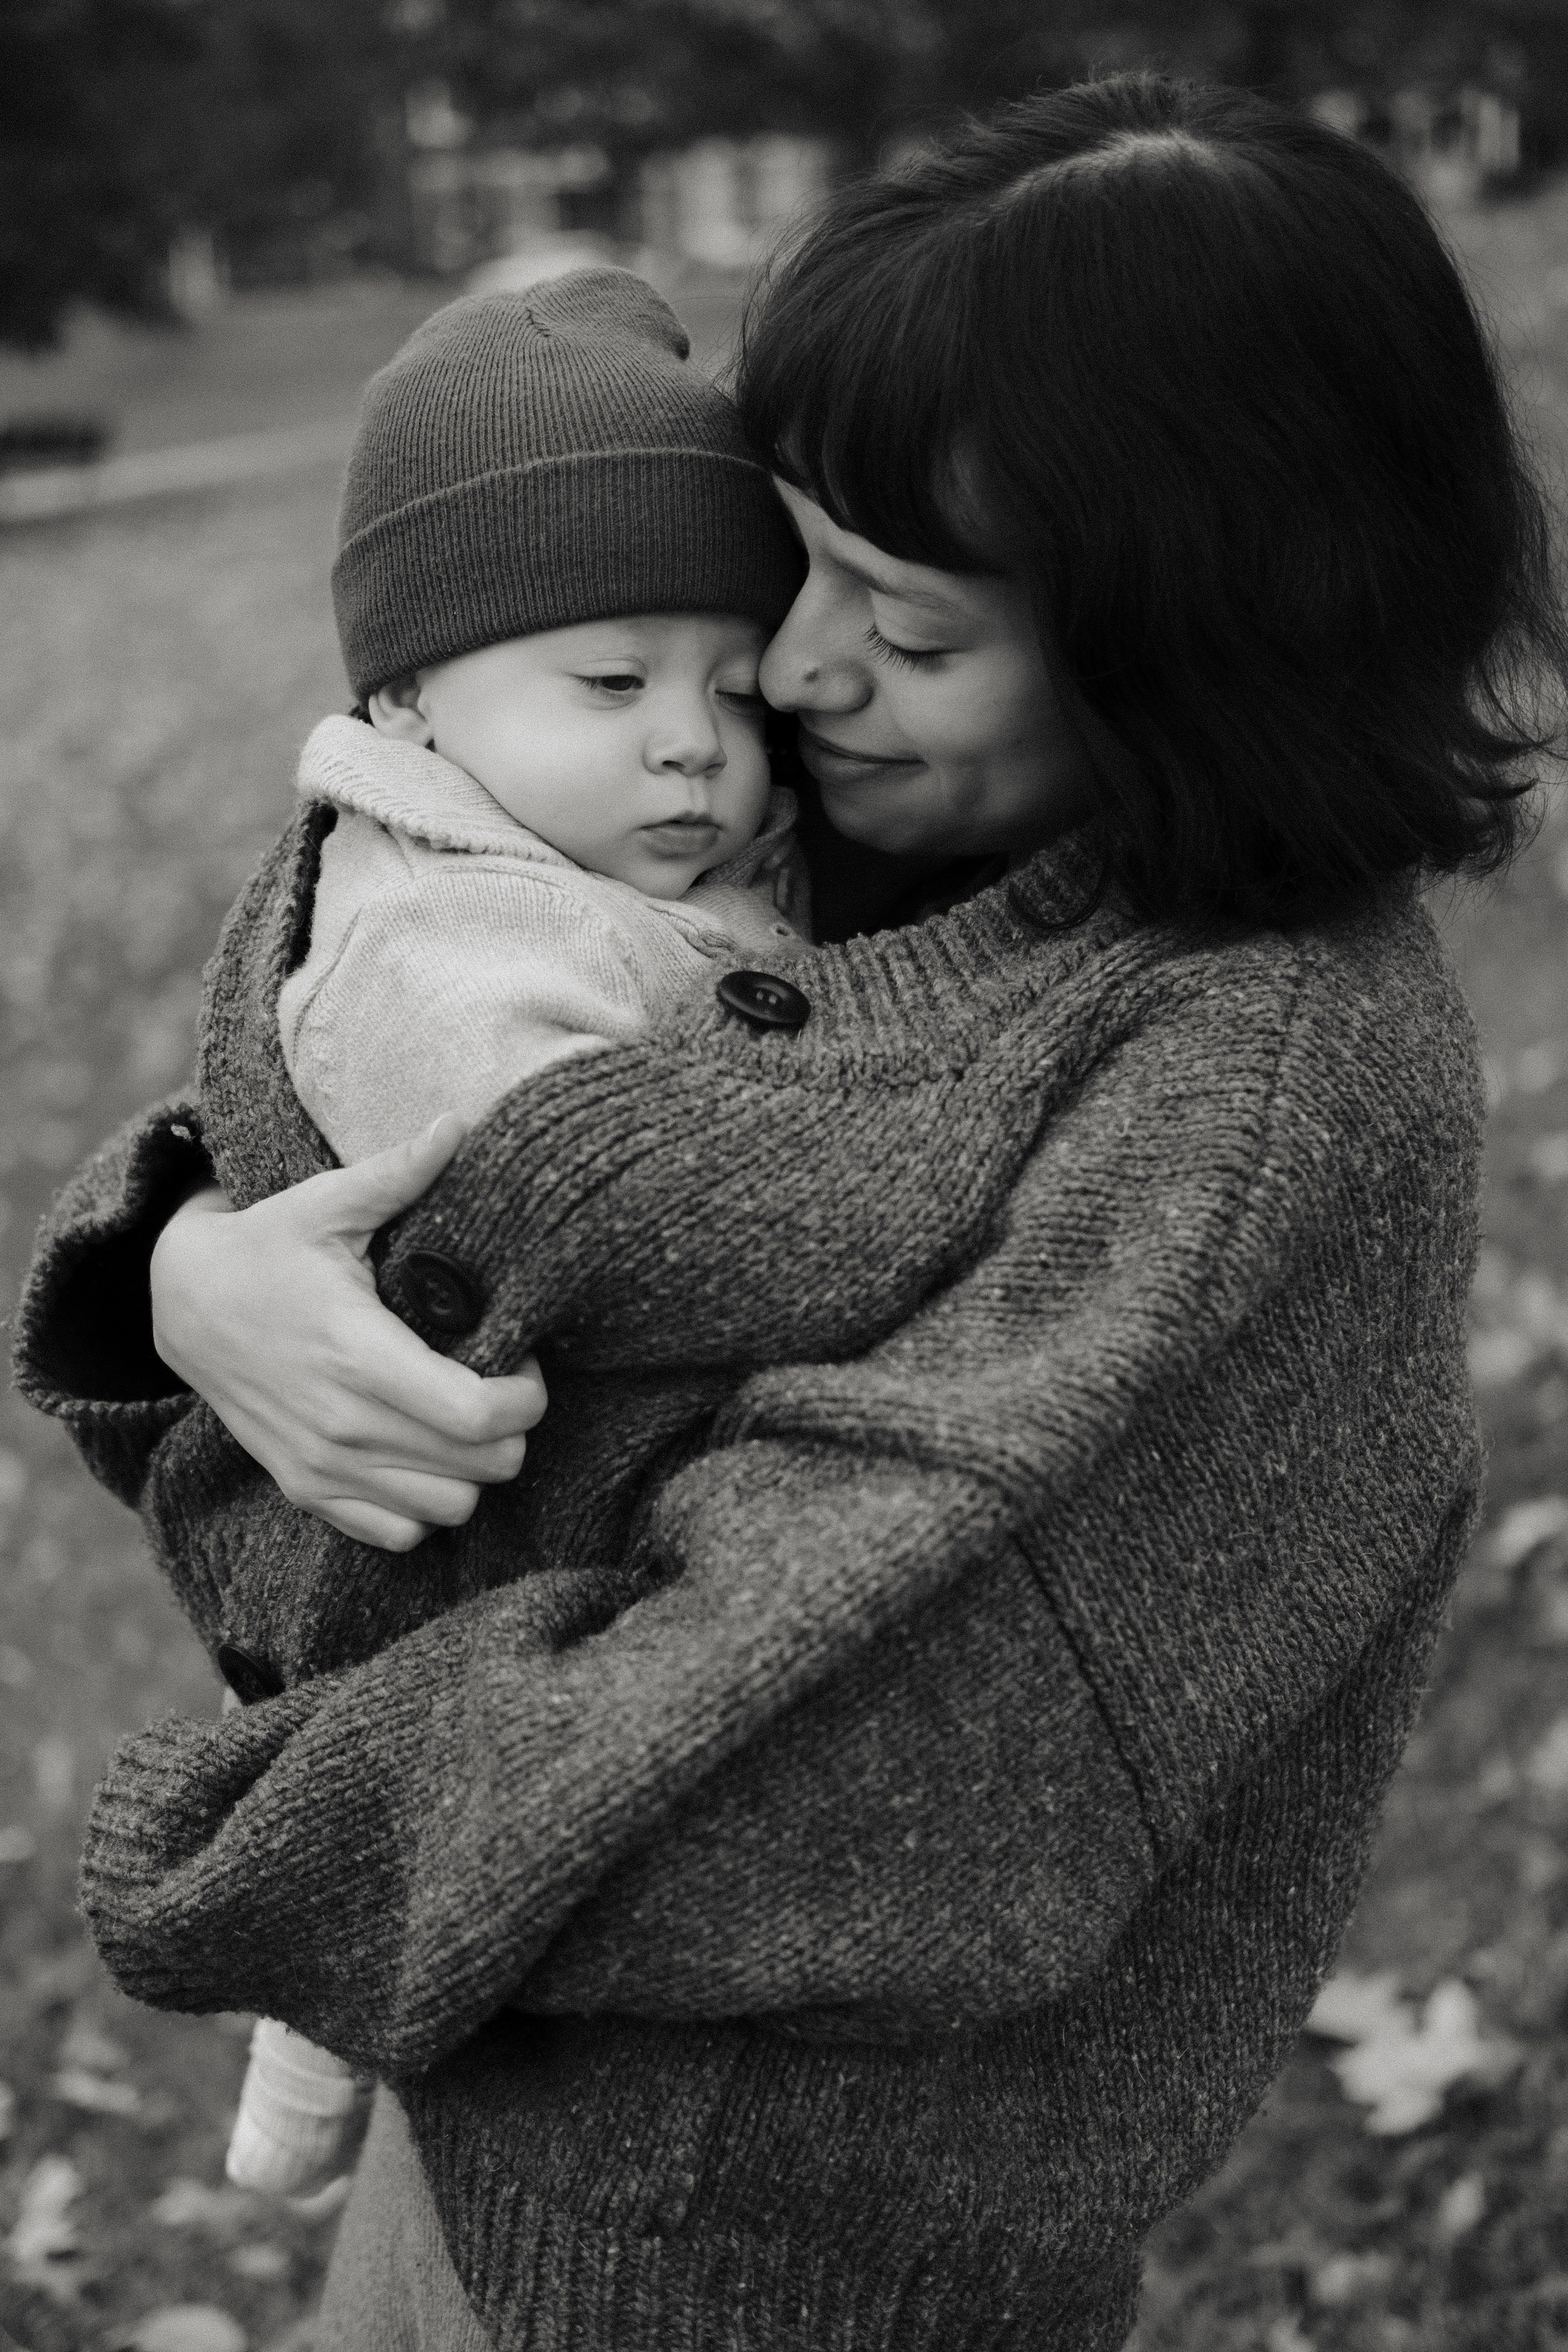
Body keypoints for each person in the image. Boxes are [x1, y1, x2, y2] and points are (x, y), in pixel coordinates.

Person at [15, 73, 1563, 2352]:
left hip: (758, 2251)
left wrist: (264, 1838)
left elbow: (846, 1796)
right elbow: (385, 892)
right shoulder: (876, 813)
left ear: (1201, 644)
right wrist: (187, 1272)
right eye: (793, 563)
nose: (795, 677)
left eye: (907, 625)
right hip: (500, 2092)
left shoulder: (1257, 1107)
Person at [222, 268, 807, 2196]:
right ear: (406, 695)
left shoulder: (612, 854)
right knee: (397, 1800)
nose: (692, 746)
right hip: (482, 1527)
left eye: (733, 683)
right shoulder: (436, 946)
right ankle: (317, 2076)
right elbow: (614, 1208)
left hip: (584, 1538)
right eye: (614, 683)